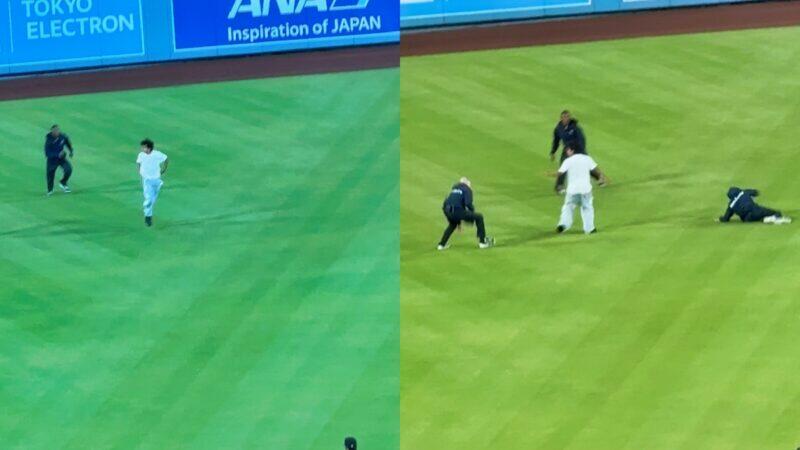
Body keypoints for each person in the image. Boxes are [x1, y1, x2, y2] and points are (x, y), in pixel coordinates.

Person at [556, 146, 605, 234]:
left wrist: (553, 175)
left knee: (568, 207)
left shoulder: (568, 160)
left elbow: (560, 173)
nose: (567, 152)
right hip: (586, 189)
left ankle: (563, 225)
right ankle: (590, 229)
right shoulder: (587, 159)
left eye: (568, 150)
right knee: (587, 208)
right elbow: (595, 172)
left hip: (572, 190)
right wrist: (600, 179)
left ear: (572, 150)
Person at [437, 177, 494, 250]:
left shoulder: (454, 189)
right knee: (479, 217)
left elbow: (453, 202)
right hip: (456, 210)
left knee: (452, 225)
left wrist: (458, 223)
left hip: (446, 210)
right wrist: (472, 213)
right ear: (467, 183)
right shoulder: (467, 189)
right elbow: (468, 203)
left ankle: (441, 245)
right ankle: (482, 243)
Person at [550, 110, 586, 191]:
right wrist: (553, 152)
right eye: (564, 117)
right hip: (567, 149)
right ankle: (559, 186)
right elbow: (556, 141)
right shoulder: (558, 128)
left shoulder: (575, 127)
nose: (566, 119)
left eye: (568, 117)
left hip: (578, 148)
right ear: (561, 118)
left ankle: (598, 178)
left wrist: (581, 150)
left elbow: (581, 139)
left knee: (586, 163)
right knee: (563, 166)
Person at [136, 139, 169, 227]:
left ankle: (148, 206)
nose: (143, 149)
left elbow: (166, 159)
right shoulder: (141, 155)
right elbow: (138, 163)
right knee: (149, 198)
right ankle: (148, 217)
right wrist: (140, 172)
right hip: (146, 180)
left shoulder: (157, 154)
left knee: (153, 198)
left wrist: (164, 169)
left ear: (149, 148)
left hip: (156, 179)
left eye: (145, 147)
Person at [718, 187, 791, 224]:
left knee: (758, 217)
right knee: (777, 212)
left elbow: (725, 218)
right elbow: (756, 192)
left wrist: (720, 219)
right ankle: (774, 218)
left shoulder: (731, 205)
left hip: (747, 219)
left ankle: (765, 219)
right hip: (756, 210)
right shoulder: (743, 192)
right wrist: (750, 196)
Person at [43, 125, 74, 196]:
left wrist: (71, 151)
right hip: (52, 161)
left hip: (61, 159)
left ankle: (63, 182)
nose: (57, 132)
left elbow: (67, 142)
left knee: (68, 169)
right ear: (52, 132)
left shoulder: (62, 136)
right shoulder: (49, 140)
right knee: (50, 175)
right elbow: (47, 153)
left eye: (58, 130)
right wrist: (57, 154)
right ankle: (50, 190)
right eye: (55, 131)